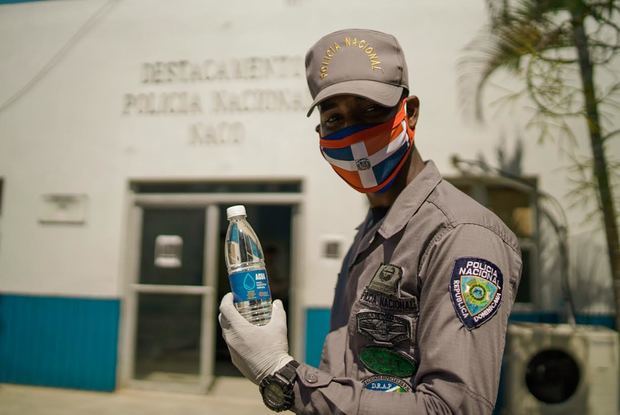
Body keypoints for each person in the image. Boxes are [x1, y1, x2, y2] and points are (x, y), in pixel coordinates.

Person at [219, 28, 523, 414]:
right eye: (335, 118)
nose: (354, 133)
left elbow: (451, 408)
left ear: (409, 112)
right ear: (320, 132)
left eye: (370, 110)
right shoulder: (373, 232)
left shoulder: (461, 236)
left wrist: (283, 376)